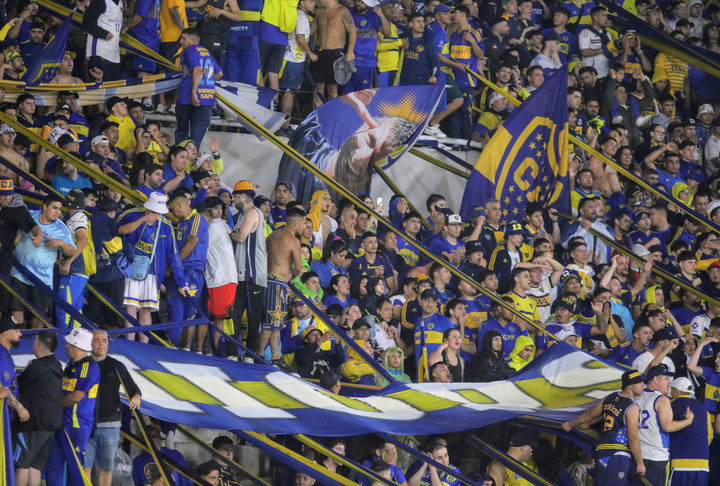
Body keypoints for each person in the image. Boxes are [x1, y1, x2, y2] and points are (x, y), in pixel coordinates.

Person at [117, 192, 190, 343]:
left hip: (153, 272)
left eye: (159, 212)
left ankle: (144, 346)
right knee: (130, 306)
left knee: (146, 308)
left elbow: (174, 254)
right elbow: (116, 230)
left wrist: (181, 282)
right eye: (153, 211)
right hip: (131, 267)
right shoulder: (131, 215)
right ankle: (129, 343)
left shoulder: (166, 225)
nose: (156, 214)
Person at [562, 370, 646, 485]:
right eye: (639, 382)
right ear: (629, 386)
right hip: (618, 453)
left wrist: (570, 424)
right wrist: (640, 463)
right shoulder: (631, 406)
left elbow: (591, 414)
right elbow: (633, 438)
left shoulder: (610, 397)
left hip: (602, 451)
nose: (643, 385)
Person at [84, 330, 141, 486]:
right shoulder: (83, 364)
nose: (101, 343)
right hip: (85, 424)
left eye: (104, 340)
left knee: (106, 468)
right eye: (97, 340)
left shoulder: (116, 365)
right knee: (84, 468)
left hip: (110, 424)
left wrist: (137, 396)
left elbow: (134, 388)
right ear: (90, 343)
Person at [10, 194, 75, 329]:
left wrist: (61, 244)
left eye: (59, 209)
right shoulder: (30, 215)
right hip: (18, 272)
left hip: (42, 278)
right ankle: (19, 344)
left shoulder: (61, 228)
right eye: (54, 208)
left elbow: (72, 251)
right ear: (44, 207)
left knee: (38, 316)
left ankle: (33, 345)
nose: (58, 212)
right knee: (16, 311)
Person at [45, 328, 100, 486]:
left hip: (77, 424)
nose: (66, 346)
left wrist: (53, 406)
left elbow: (77, 396)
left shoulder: (88, 367)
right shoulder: (71, 364)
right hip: (62, 421)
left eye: (69, 343)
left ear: (76, 345)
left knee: (74, 468)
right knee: (53, 464)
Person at [12, 331, 62, 486]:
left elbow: (20, 384)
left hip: (32, 424)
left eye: (34, 342)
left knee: (22, 464)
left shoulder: (36, 367)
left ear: (39, 346)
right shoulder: (57, 365)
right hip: (50, 425)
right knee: (35, 466)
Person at [260, 207, 305, 369]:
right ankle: (258, 355)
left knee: (276, 323)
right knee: (270, 323)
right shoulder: (293, 241)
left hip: (266, 280)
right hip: (278, 283)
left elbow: (262, 255)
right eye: (303, 223)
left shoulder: (272, 235)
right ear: (296, 222)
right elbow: (299, 268)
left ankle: (275, 356)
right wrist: (290, 277)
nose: (304, 227)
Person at [635, 365, 694, 486]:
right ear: (656, 379)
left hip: (637, 454)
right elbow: (668, 426)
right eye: (666, 378)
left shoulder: (636, 396)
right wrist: (688, 421)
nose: (669, 382)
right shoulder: (661, 399)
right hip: (656, 457)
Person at [168, 193, 209, 349]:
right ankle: (173, 344)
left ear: (179, 205)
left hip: (191, 270)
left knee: (189, 312)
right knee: (176, 309)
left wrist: (172, 265)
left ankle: (185, 348)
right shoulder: (183, 222)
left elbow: (190, 246)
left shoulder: (197, 219)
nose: (172, 213)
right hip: (179, 271)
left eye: (172, 209)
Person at [231, 180, 267, 357]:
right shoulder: (240, 215)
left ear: (243, 196)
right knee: (234, 315)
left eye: (235, 196)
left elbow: (240, 237)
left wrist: (229, 232)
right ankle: (233, 352)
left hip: (253, 275)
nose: (233, 199)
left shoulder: (252, 212)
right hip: (241, 274)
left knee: (253, 319)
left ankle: (251, 356)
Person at [200, 197, 238, 354]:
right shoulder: (218, 225)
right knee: (213, 317)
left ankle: (209, 351)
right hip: (219, 277)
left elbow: (199, 245)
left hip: (222, 278)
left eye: (220, 208)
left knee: (216, 317)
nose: (219, 211)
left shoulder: (216, 225)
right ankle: (209, 351)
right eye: (215, 208)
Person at [175, 28, 223, 149]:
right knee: (196, 140)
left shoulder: (190, 50)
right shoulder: (207, 52)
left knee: (182, 135)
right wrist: (205, 84)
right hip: (206, 99)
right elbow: (219, 73)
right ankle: (192, 164)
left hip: (188, 98)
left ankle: (180, 165)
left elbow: (197, 70)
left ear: (193, 41)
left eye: (183, 38)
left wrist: (194, 92)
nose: (180, 41)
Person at [0, 178, 41, 317]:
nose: (7, 198)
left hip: (2, 263)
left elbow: (33, 226)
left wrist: (38, 236)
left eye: (9, 194)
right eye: (2, 194)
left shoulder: (17, 209)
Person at [668, 377, 709, 485]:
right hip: (702, 464)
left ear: (675, 390)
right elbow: (709, 435)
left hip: (679, 462)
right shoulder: (703, 408)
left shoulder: (669, 405)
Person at [83, 0, 124, 81]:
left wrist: (117, 36)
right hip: (100, 53)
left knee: (112, 91)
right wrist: (104, 34)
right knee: (99, 89)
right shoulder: (100, 1)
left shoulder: (120, 3)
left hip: (114, 55)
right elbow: (87, 22)